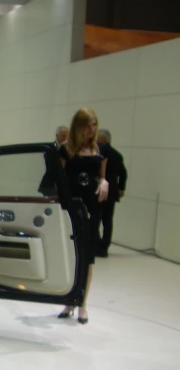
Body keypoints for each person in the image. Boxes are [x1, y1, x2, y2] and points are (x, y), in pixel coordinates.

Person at [57, 108, 109, 324]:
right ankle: (69, 299)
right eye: (88, 125)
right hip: (71, 209)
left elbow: (102, 179)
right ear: (78, 126)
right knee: (71, 256)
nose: (92, 129)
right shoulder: (65, 151)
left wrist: (104, 182)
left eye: (94, 124)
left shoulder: (100, 151)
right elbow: (59, 181)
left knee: (87, 258)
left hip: (92, 209)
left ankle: (82, 304)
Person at [96, 129, 127, 257]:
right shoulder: (117, 155)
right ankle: (104, 246)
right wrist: (121, 188)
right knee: (107, 220)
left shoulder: (99, 153)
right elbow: (123, 173)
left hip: (100, 189)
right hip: (112, 190)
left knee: (96, 217)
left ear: (105, 140)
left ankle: (96, 244)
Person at [38, 125, 69, 196]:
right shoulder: (49, 148)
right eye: (63, 136)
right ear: (57, 136)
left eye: (68, 137)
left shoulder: (71, 150)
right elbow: (51, 166)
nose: (66, 139)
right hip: (51, 184)